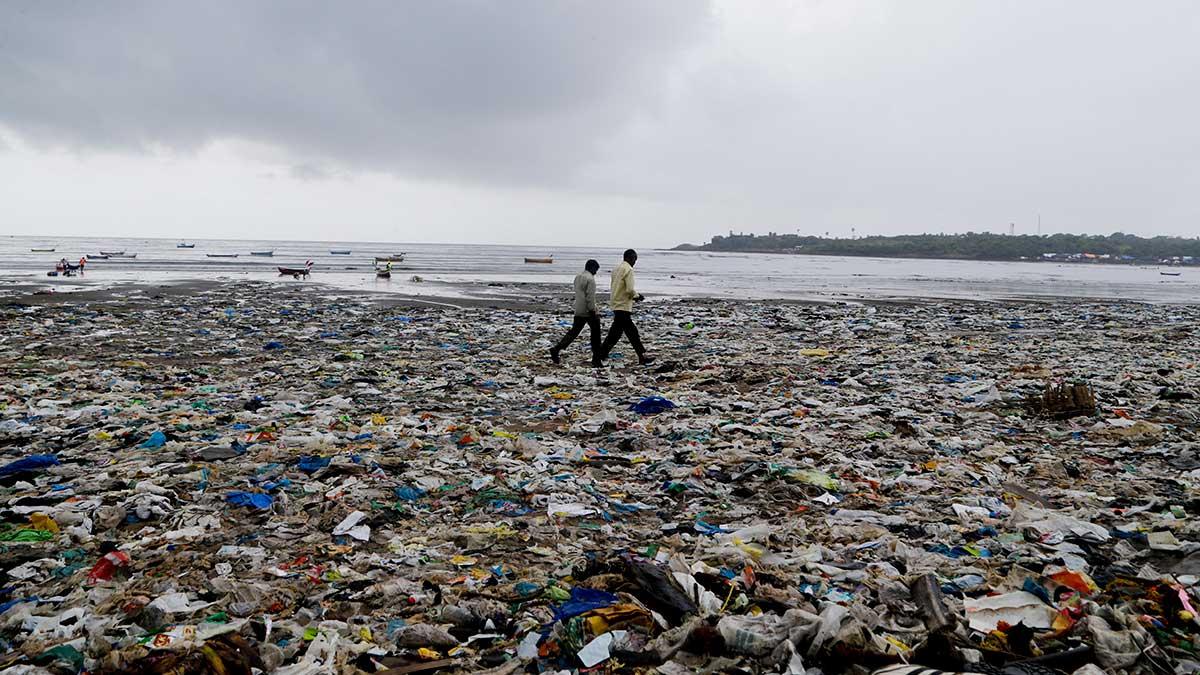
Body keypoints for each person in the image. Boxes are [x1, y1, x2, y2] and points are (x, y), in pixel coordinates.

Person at [598, 249, 653, 366]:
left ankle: (601, 354)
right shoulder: (628, 269)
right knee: (632, 333)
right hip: (624, 306)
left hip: (616, 303)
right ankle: (642, 356)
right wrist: (637, 296)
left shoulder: (616, 269)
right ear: (630, 258)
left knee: (615, 334)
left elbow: (616, 287)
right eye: (634, 259)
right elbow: (629, 289)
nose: (635, 262)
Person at [550, 259, 602, 366]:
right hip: (588, 311)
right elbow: (590, 297)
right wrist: (593, 310)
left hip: (578, 309)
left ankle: (557, 348)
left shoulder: (578, 277)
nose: (596, 272)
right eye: (596, 270)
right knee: (596, 335)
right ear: (592, 268)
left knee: (573, 332)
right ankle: (596, 359)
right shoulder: (590, 279)